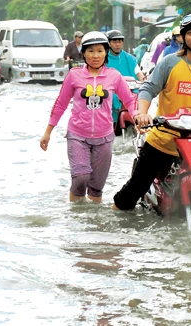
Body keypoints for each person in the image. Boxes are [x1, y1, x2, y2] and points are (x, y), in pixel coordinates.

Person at [113, 13, 191, 211]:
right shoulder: (169, 62)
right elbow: (148, 89)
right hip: (163, 139)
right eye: (190, 33)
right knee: (130, 196)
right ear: (183, 37)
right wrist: (142, 113)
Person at [39, 31, 137, 203]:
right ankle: (76, 220)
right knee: (80, 179)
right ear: (83, 53)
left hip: (105, 137)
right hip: (78, 135)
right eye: (90, 51)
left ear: (106, 52)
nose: (95, 55)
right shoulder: (74, 75)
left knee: (97, 188)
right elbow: (60, 104)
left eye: (100, 50)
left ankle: (92, 224)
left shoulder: (114, 76)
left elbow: (129, 100)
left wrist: (137, 118)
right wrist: (48, 132)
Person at [106, 29, 144, 123]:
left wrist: (146, 83)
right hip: (112, 91)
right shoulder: (103, 59)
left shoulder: (130, 58)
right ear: (109, 43)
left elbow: (139, 74)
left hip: (131, 90)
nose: (118, 44)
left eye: (120, 41)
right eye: (114, 42)